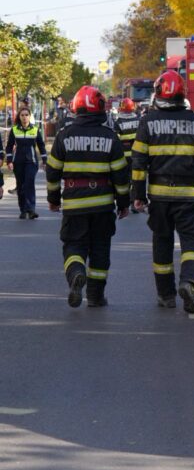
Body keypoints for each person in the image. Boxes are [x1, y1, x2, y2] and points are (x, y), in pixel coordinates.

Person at [131, 69, 194, 313]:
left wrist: (138, 196)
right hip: (188, 196)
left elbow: (139, 164)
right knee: (191, 242)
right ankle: (189, 282)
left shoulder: (147, 122)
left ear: (158, 94)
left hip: (159, 198)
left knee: (162, 243)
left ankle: (166, 296)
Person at [46, 85, 130, 308]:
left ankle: (76, 272)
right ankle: (95, 296)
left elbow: (52, 171)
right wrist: (124, 204)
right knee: (100, 250)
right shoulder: (110, 137)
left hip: (74, 205)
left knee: (73, 246)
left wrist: (53, 200)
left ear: (76, 108)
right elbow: (121, 175)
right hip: (103, 206)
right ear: (100, 108)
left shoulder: (64, 135)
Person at [6, 106, 47, 219]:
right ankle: (23, 210)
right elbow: (9, 147)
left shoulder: (35, 129)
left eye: (26, 115)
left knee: (29, 183)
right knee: (21, 186)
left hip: (31, 161)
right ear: (19, 117)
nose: (24, 117)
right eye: (22, 115)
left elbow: (41, 146)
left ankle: (31, 209)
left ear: (30, 116)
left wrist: (44, 161)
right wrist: (9, 161)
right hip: (18, 162)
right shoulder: (14, 130)